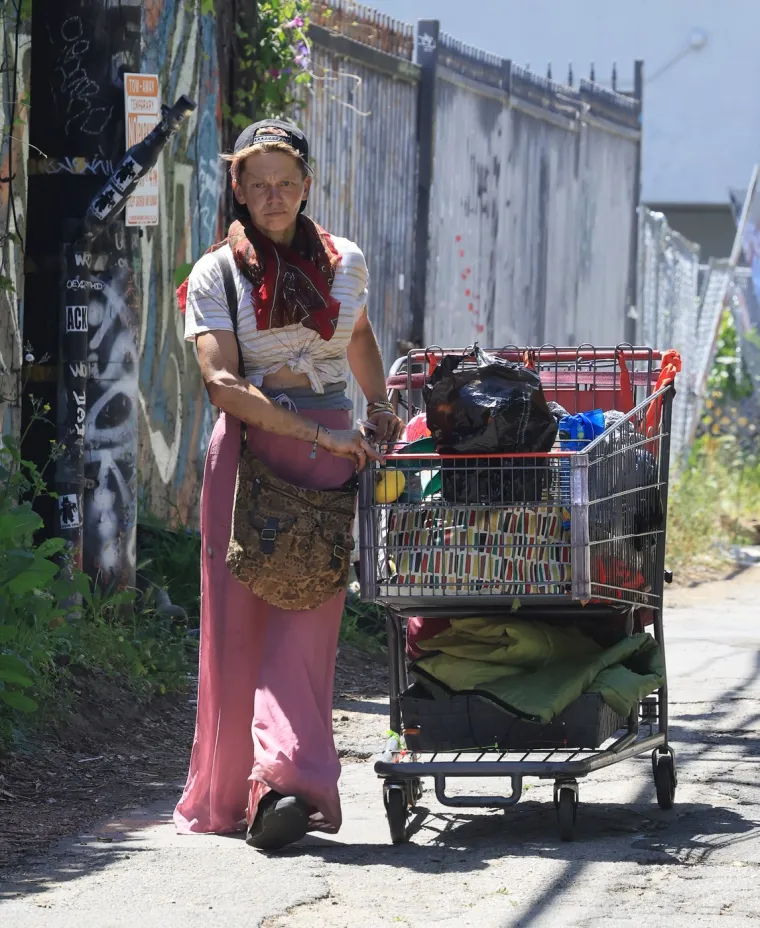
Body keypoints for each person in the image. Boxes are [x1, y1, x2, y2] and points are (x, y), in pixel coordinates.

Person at [174, 119, 404, 851]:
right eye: (258, 184)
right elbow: (220, 383)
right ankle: (228, 795)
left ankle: (287, 786)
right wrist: (321, 433)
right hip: (248, 461)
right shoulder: (218, 274)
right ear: (238, 187)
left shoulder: (346, 264)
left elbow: (358, 336)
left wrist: (382, 407)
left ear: (308, 187)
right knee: (235, 632)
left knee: (306, 632)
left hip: (331, 461)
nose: (273, 199)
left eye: (287, 184)